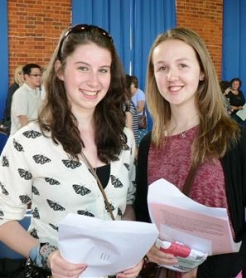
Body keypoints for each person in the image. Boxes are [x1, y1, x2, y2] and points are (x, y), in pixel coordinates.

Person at [0, 24, 142, 278]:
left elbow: (127, 205)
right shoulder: (29, 141)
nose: (94, 81)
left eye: (103, 70)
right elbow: (4, 219)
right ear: (60, 71)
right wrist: (47, 256)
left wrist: (129, 250)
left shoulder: (124, 139)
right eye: (83, 68)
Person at [135, 27, 246, 278]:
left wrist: (209, 271)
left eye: (182, 65)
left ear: (201, 72)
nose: (171, 76)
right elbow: (144, 217)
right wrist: (149, 248)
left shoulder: (230, 136)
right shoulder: (148, 146)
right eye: (162, 67)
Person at [10, 63, 43, 135]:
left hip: (36, 134)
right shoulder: (21, 94)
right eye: (35, 75)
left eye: (40, 75)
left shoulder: (38, 92)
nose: (39, 77)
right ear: (26, 76)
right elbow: (23, 121)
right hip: (23, 137)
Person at [0, 65, 24, 134]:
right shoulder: (14, 88)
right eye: (20, 73)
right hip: (14, 121)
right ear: (16, 75)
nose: (22, 75)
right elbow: (9, 106)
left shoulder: (25, 88)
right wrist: (7, 120)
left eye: (23, 73)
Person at [131, 75, 148, 141]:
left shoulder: (139, 93)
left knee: (139, 141)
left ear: (134, 84)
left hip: (139, 121)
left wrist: (130, 113)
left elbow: (141, 108)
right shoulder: (130, 94)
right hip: (133, 121)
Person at [126, 74, 139, 147]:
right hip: (130, 145)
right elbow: (129, 128)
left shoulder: (128, 102)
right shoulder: (126, 103)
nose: (136, 89)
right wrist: (133, 147)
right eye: (134, 86)